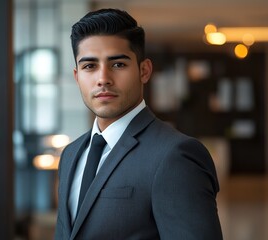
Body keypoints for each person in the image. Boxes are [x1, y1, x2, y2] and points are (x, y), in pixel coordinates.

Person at [55, 8, 223, 240]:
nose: (103, 78)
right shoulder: (70, 155)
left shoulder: (175, 155)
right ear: (77, 77)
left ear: (144, 71)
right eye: (89, 66)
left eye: (118, 65)